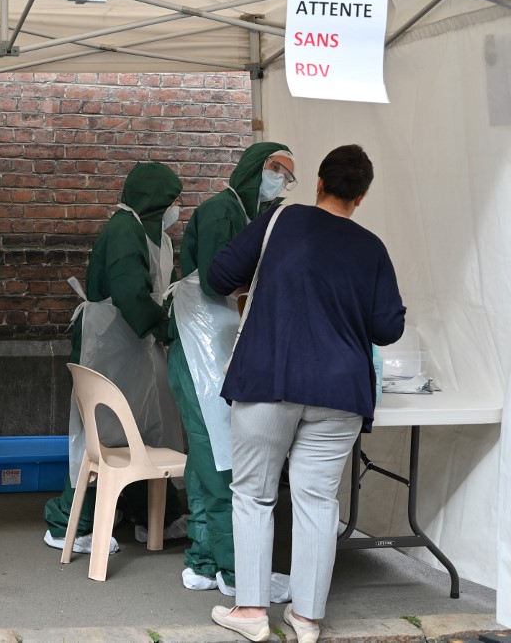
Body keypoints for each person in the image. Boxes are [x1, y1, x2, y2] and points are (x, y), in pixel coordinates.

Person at [206, 145, 405, 642]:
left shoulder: (281, 220)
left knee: (253, 493)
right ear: (360, 196)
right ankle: (307, 618)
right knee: (318, 501)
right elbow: (388, 329)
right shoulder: (372, 248)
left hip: (270, 375)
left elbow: (219, 276)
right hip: (340, 390)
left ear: (318, 183)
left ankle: (251, 612)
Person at [167, 142, 296, 596]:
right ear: (254, 167)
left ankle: (205, 561)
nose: (281, 179)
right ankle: (238, 571)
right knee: (222, 455)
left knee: (205, 460)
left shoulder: (243, 211)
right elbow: (220, 276)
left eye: (288, 175)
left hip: (203, 339)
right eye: (276, 169)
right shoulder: (225, 210)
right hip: (201, 338)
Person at [43, 161, 187, 554]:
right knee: (103, 435)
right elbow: (130, 292)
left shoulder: (155, 233)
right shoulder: (125, 230)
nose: (177, 208)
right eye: (173, 200)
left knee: (139, 431)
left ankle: (152, 515)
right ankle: (70, 523)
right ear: (155, 198)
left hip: (131, 346)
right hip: (108, 344)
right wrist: (164, 328)